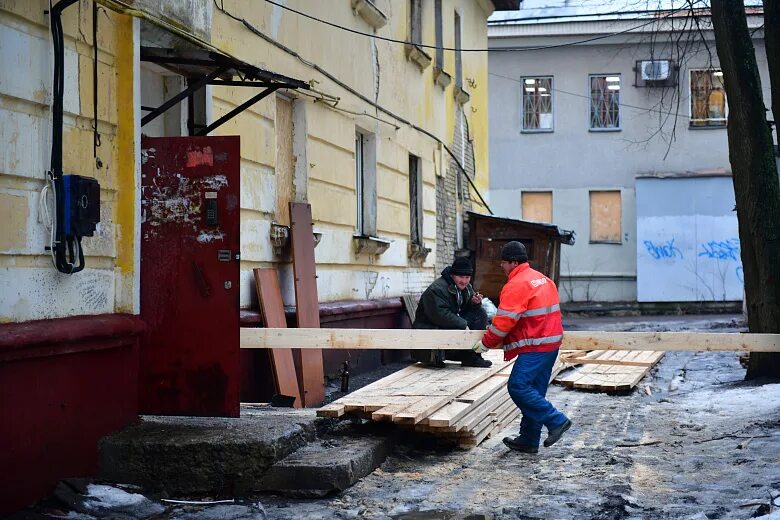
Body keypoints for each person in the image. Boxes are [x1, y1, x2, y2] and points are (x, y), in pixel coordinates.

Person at [472, 241, 572, 453]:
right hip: (550, 344)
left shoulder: (517, 285)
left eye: (504, 262)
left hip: (535, 345)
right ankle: (528, 439)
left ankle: (557, 420)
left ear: (513, 262)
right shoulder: (543, 280)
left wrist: (485, 343)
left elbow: (504, 322)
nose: (501, 266)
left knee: (518, 387)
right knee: (534, 391)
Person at [412, 257, 492, 368]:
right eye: (461, 277)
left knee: (480, 313)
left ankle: (473, 357)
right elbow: (441, 315)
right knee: (463, 322)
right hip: (431, 329)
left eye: (467, 277)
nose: (464, 281)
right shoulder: (437, 289)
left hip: (446, 326)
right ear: (452, 275)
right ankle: (448, 356)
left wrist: (474, 303)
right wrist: (464, 325)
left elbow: (466, 307)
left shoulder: (465, 287)